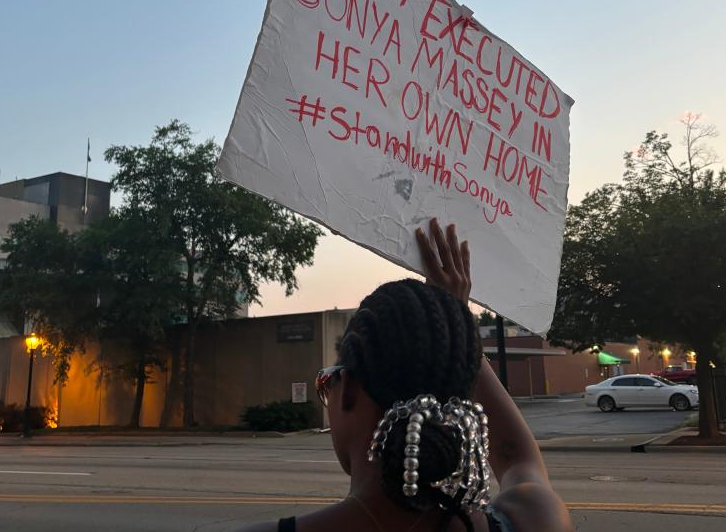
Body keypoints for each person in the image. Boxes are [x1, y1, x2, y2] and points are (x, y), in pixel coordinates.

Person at [238, 219, 573, 532]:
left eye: (326, 384)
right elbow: (518, 459)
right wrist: (456, 328)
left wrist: (454, 325)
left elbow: (518, 459)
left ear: (350, 390)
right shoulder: (534, 518)